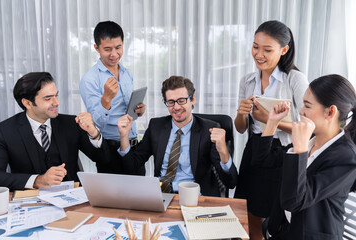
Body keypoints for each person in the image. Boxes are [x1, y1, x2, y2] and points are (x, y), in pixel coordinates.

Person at [255, 74, 356, 239]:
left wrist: (300, 149)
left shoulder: (347, 157)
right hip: (284, 229)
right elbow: (262, 161)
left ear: (330, 112)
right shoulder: (311, 139)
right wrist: (272, 122)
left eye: (307, 106)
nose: (301, 111)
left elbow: (295, 201)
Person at [234, 20, 309, 239]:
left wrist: (270, 120)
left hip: (281, 153)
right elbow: (241, 129)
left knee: (273, 218)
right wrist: (241, 113)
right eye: (255, 47)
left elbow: (308, 127)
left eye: (267, 50)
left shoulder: (295, 79)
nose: (259, 54)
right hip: (255, 149)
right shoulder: (247, 81)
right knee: (248, 215)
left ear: (284, 50)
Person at [116, 76, 238, 196]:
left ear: (192, 99)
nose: (176, 107)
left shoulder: (209, 129)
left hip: (195, 196)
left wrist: (223, 150)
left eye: (181, 100)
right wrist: (124, 136)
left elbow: (231, 182)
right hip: (161, 195)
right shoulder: (156, 126)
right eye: (171, 102)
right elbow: (131, 167)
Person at [0, 72, 110, 191]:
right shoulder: (3, 131)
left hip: (73, 200)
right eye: (48, 98)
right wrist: (38, 180)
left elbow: (104, 159)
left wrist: (93, 133)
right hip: (29, 202)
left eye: (56, 96)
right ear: (27, 103)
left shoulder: (72, 123)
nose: (56, 103)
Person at [79, 21, 145, 175]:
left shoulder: (126, 73)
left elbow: (127, 110)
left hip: (133, 145)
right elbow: (95, 125)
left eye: (118, 47)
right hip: (109, 150)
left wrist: (138, 109)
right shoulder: (90, 79)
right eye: (107, 49)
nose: (114, 54)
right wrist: (106, 99)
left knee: (141, 196)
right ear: (97, 48)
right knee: (111, 199)